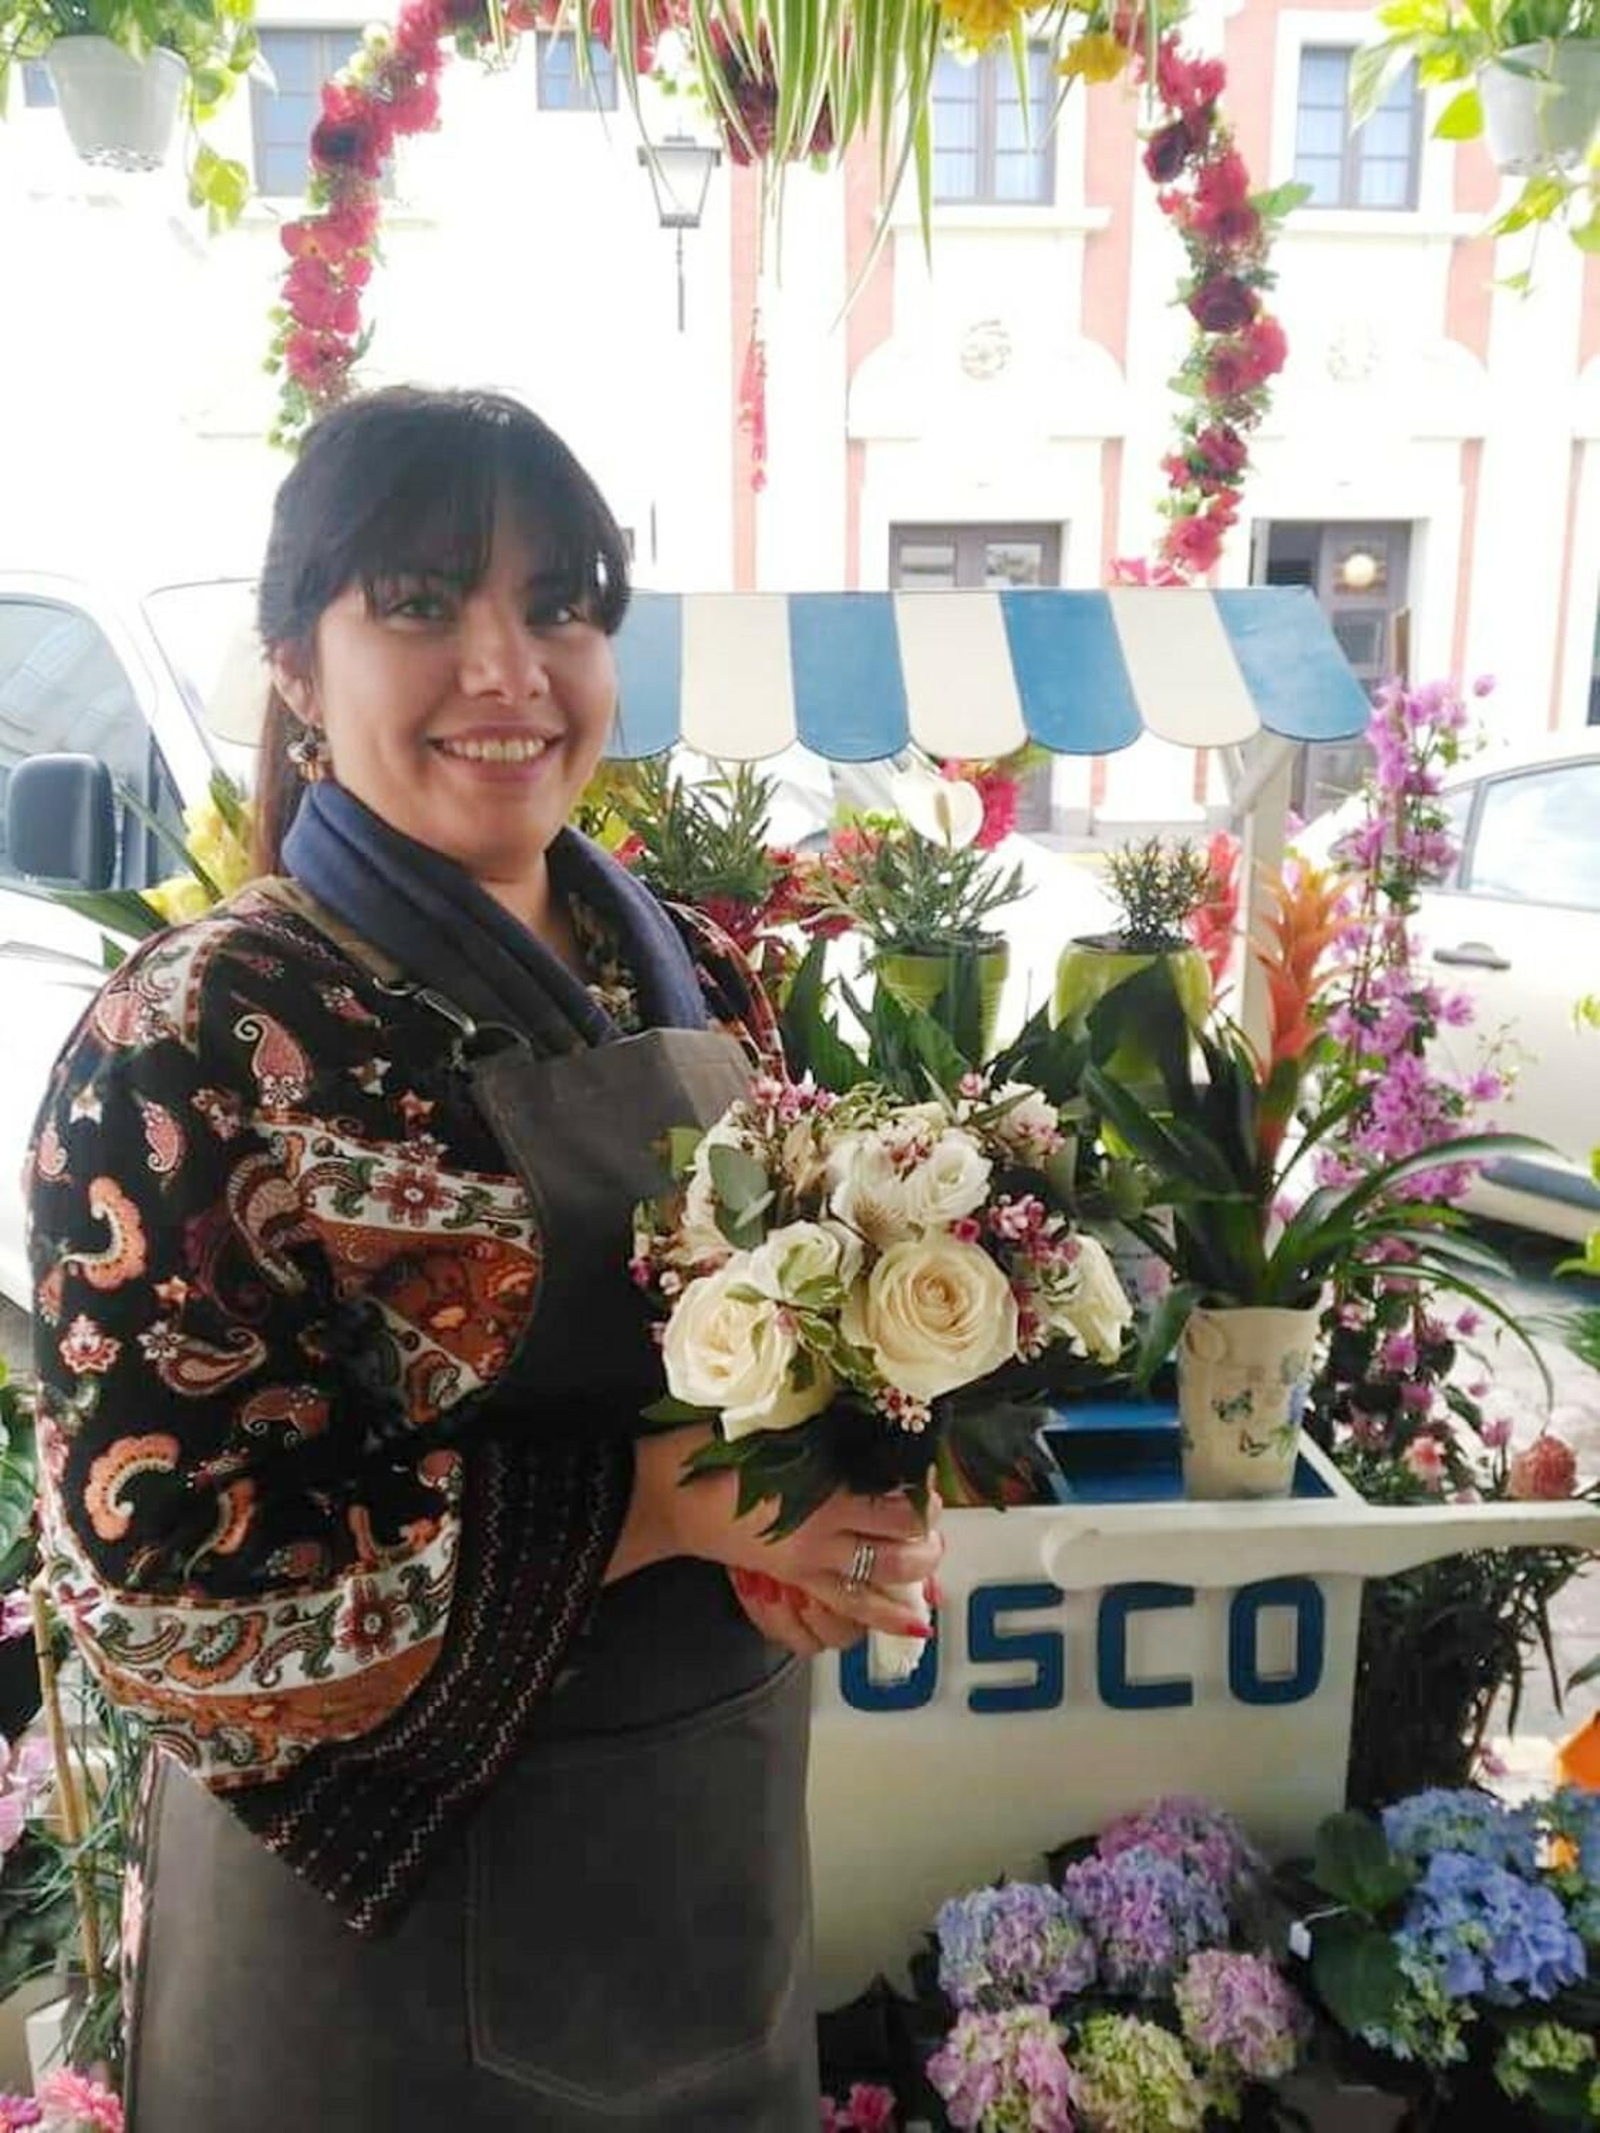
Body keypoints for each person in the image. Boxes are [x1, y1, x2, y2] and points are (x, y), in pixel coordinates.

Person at [26, 386, 943, 2130]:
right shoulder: (193, 1039)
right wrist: (658, 1507)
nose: (509, 665)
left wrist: (824, 1517)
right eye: (425, 602)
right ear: (297, 659)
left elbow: (789, 1354)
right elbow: (162, 1602)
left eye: (563, 603)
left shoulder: (689, 964)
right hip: (370, 1982)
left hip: (701, 1879)